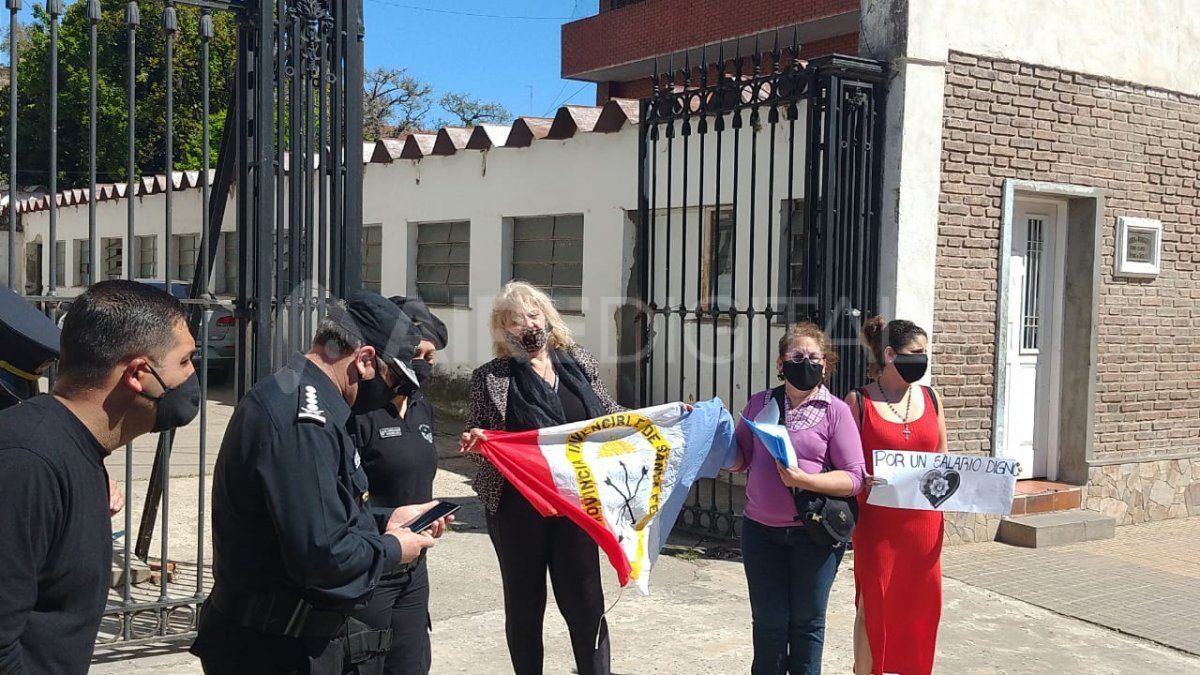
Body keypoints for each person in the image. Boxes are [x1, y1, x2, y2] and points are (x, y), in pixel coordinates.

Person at [191, 291, 453, 675]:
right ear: (365, 359)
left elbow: (316, 515)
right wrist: (394, 549)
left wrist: (386, 520)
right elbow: (324, 556)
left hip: (288, 641)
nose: (391, 391)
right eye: (392, 378)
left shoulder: (306, 396)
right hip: (272, 650)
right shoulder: (303, 420)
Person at [0, 280, 201, 673]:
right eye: (184, 361)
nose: (193, 374)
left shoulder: (77, 450)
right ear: (138, 373)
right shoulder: (28, 464)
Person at [458, 281, 620, 675]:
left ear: (548, 317)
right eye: (515, 320)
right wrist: (477, 441)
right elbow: (481, 437)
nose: (528, 325)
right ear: (503, 328)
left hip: (575, 503)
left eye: (533, 315)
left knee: (586, 602)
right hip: (517, 509)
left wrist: (660, 419)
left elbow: (608, 414)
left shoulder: (579, 363)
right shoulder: (491, 377)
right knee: (525, 606)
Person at [731, 322, 867, 675]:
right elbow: (740, 459)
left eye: (814, 357)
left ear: (825, 364)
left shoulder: (836, 411)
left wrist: (805, 480)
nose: (805, 363)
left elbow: (855, 478)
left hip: (814, 535)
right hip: (761, 533)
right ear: (781, 363)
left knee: (807, 622)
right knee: (769, 622)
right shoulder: (761, 403)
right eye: (796, 356)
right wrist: (711, 435)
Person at [351, 296, 447, 675]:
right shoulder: (360, 412)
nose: (421, 364)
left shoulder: (422, 407)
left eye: (429, 357)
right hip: (373, 566)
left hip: (414, 568)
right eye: (415, 354)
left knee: (412, 664)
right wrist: (386, 520)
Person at [846, 317, 947, 675]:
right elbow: (846, 465)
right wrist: (862, 479)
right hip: (878, 525)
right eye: (915, 352)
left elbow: (943, 459)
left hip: (924, 525)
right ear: (890, 354)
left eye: (925, 352)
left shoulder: (932, 398)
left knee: (921, 606)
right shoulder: (858, 401)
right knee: (872, 604)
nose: (923, 359)